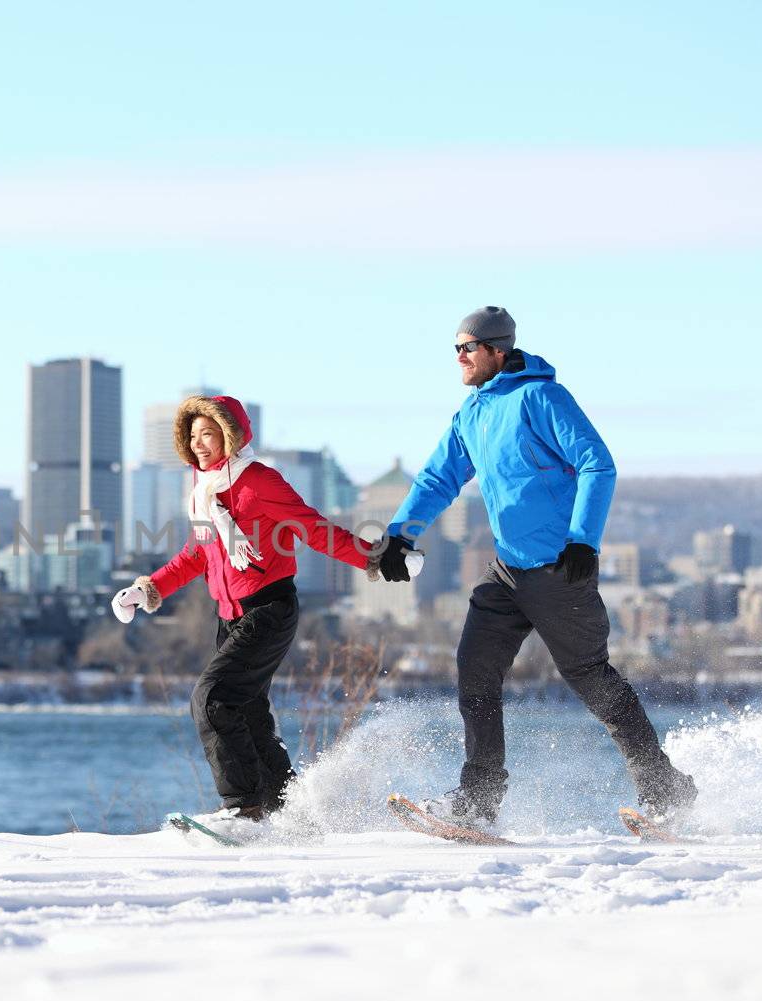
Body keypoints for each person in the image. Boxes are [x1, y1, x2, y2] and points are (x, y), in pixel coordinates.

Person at [380, 306, 697, 827]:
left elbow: (598, 462)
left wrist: (583, 542)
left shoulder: (540, 397)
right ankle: (478, 802)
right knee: (475, 668)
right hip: (507, 570)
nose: (458, 357)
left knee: (590, 679)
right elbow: (438, 479)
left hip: (559, 568)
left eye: (467, 347)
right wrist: (400, 534)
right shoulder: (472, 413)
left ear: (496, 351)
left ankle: (665, 790)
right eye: (455, 348)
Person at [113, 395, 383, 821]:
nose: (199, 443)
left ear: (231, 435)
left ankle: (244, 809)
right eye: (193, 435)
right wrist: (146, 589)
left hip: (269, 608)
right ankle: (285, 809)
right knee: (248, 713)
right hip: (230, 615)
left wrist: (374, 557)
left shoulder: (259, 481)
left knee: (213, 699)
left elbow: (313, 530)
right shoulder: (204, 493)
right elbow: (196, 556)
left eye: (209, 434)